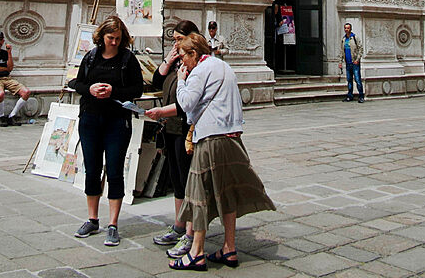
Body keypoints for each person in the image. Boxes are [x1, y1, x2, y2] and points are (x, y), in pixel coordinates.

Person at [171, 33, 275, 270]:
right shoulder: (224, 66)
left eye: (183, 57)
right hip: (233, 136)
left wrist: (181, 80)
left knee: (199, 194)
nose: (182, 63)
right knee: (227, 193)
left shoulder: (198, 70)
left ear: (194, 54)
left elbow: (187, 104)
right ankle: (229, 248)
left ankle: (196, 252)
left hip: (210, 138)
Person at [72, 15, 143, 244]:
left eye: (118, 38)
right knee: (92, 169)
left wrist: (113, 91)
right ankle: (92, 219)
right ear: (102, 37)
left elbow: (137, 89)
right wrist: (90, 89)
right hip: (90, 118)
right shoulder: (91, 57)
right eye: (110, 38)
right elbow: (76, 83)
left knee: (114, 170)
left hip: (117, 121)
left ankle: (113, 223)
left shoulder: (128, 59)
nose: (114, 42)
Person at [145, 20, 200, 259]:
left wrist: (161, 112)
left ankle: (190, 232)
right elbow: (156, 83)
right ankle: (179, 225)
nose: (176, 43)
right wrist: (168, 60)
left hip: (186, 129)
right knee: (177, 180)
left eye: (179, 39)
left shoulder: (195, 63)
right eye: (174, 39)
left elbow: (187, 103)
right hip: (170, 128)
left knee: (188, 181)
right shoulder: (177, 61)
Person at [0, 31, 31, 126]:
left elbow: (10, 68)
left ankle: (12, 116)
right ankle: (1, 117)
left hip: (8, 78)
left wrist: (9, 53)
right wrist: (5, 68)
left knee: (26, 92)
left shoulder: (5, 53)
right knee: (0, 94)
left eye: (1, 40)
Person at [339, 22, 364, 102]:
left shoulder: (354, 38)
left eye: (348, 28)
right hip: (348, 63)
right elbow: (342, 52)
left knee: (357, 79)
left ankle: (361, 96)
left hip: (354, 63)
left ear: (350, 29)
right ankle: (350, 95)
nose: (346, 30)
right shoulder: (344, 39)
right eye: (345, 28)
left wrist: (357, 59)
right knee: (349, 80)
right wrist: (340, 62)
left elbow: (360, 49)